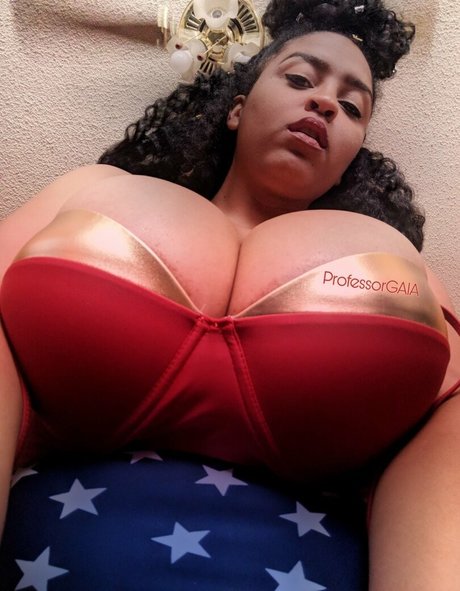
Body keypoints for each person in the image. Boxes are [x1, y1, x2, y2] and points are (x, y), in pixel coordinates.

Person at [0, 0, 459, 588]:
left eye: (351, 107)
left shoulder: (389, 254)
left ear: (352, 158)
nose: (325, 103)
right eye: (301, 79)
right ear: (237, 109)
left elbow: (451, 407)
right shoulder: (98, 186)